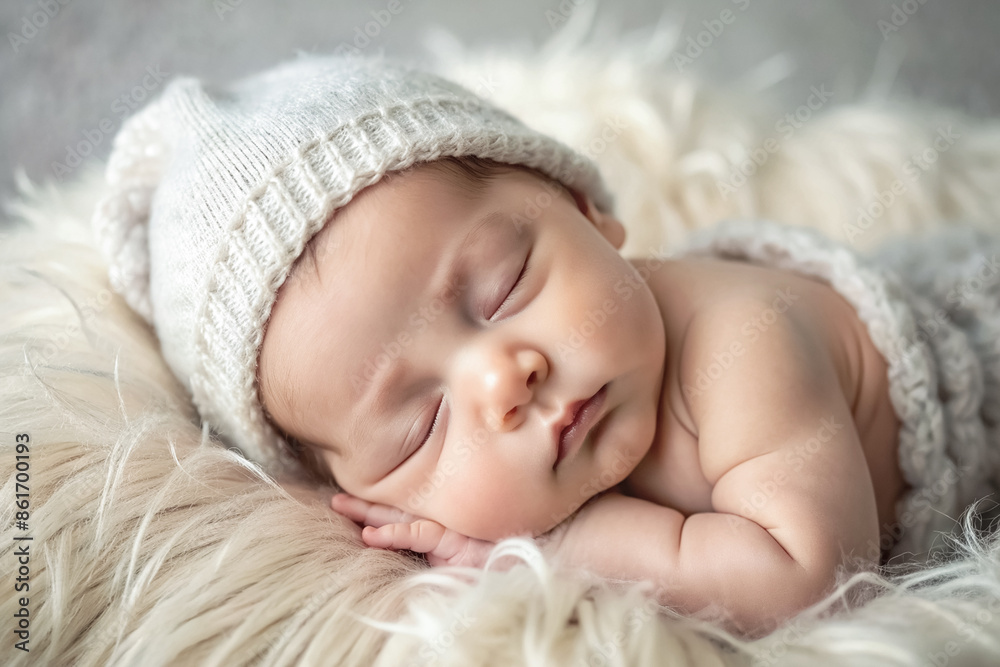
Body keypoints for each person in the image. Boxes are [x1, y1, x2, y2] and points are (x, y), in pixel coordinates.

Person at [92, 54, 1000, 634]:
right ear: (356, 492)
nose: (502, 380)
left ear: (586, 212)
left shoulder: (743, 343)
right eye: (420, 427)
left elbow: (816, 585)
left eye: (501, 291)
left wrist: (575, 540)